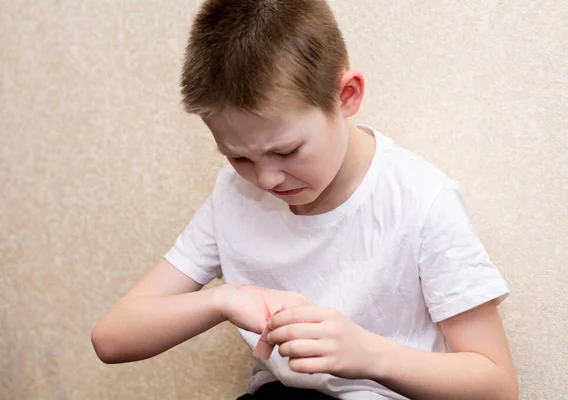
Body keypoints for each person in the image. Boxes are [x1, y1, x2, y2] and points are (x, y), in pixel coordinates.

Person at [91, 1, 518, 399]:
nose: (266, 178)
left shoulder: (421, 201)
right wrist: (224, 299)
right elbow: (111, 338)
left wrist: (370, 354)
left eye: (287, 151)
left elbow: (497, 384)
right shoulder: (235, 195)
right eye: (238, 156)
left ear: (346, 96)